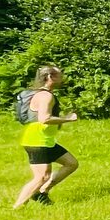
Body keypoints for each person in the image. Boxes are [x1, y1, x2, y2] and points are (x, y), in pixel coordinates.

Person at [14, 66, 80, 208]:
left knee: (71, 163)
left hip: (46, 140)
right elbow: (44, 119)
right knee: (41, 177)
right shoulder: (46, 96)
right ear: (50, 77)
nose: (62, 78)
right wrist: (67, 119)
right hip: (37, 140)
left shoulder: (43, 94)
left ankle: (42, 192)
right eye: (59, 75)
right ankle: (17, 208)